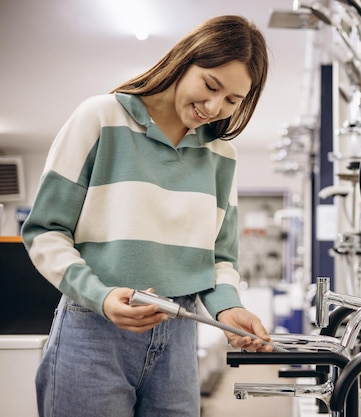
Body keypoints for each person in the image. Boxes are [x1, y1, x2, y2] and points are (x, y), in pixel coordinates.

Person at [22, 15, 273, 417]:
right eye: (210, 85)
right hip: (92, 331)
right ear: (184, 60)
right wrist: (101, 297)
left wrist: (228, 308)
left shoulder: (222, 156)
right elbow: (44, 231)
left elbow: (219, 258)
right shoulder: (100, 117)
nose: (214, 107)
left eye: (232, 100)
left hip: (179, 334)